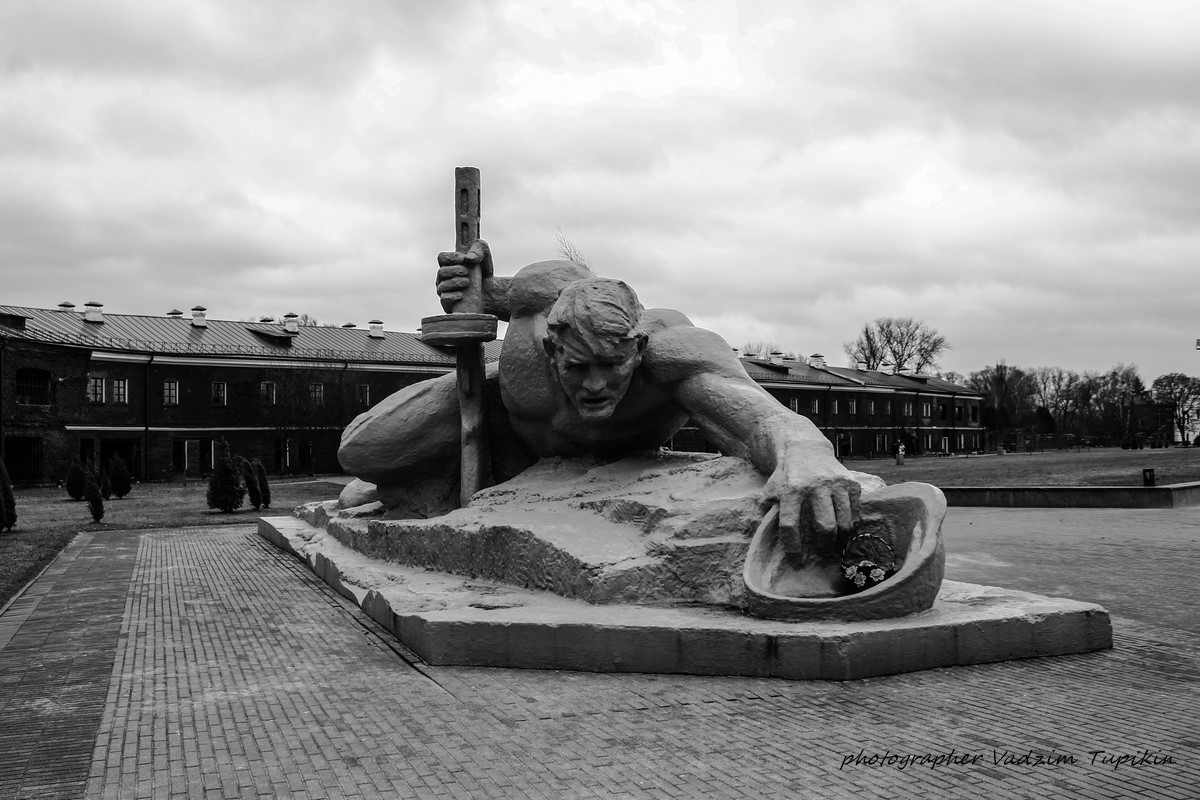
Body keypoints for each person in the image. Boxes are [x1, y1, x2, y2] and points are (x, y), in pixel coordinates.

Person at [339, 241, 862, 563]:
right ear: (551, 348)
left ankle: (421, 483)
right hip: (508, 438)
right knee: (363, 453)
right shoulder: (539, 309)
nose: (594, 385)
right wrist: (470, 287)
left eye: (611, 367)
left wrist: (807, 455)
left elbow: (760, 416)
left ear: (636, 350)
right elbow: (488, 292)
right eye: (577, 366)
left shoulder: (674, 350)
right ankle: (420, 479)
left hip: (582, 474)